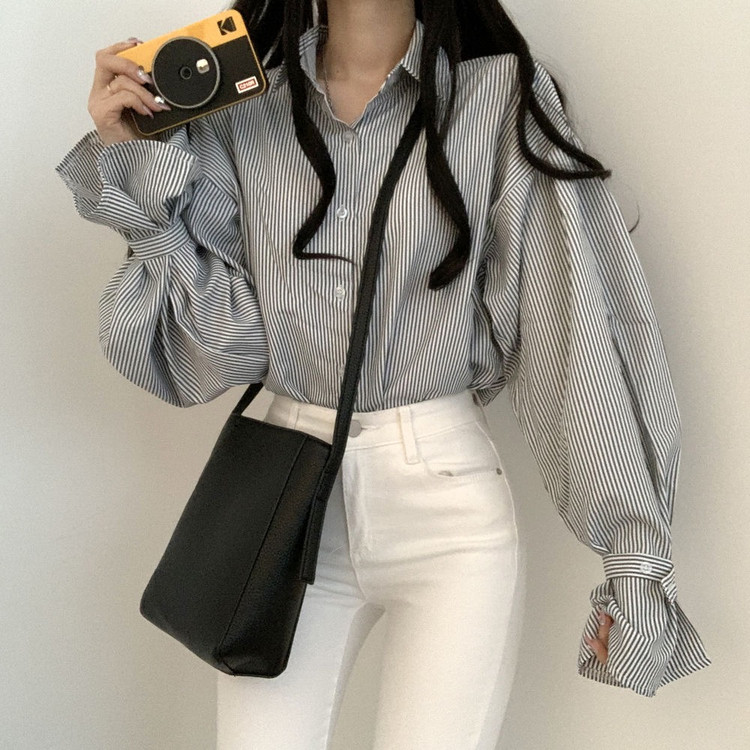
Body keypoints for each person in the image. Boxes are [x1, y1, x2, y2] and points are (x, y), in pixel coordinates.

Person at [55, 0, 711, 746]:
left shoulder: (495, 99)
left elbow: (573, 331)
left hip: (447, 511)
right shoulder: (244, 109)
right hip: (284, 503)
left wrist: (631, 556)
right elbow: (217, 351)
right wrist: (134, 166)